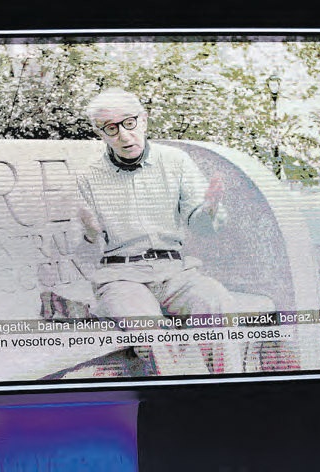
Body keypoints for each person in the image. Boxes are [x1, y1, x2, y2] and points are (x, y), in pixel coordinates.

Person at [76, 87, 235, 374]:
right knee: (152, 332)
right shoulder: (88, 177)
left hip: (176, 272)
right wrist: (90, 232)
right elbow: (85, 253)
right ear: (100, 133)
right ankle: (176, 397)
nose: (124, 136)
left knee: (218, 303)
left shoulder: (176, 161)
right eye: (111, 128)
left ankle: (229, 389)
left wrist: (210, 208)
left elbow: (201, 226)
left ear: (144, 119)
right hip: (121, 279)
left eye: (129, 123)